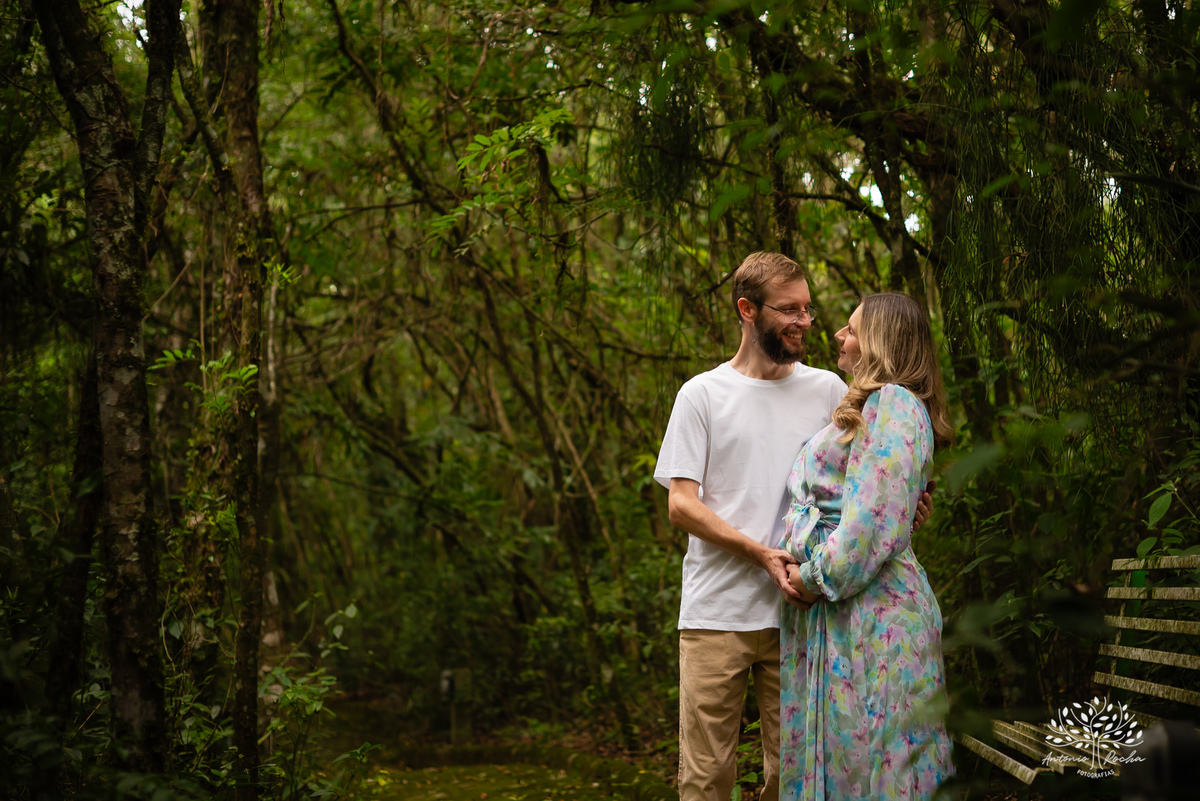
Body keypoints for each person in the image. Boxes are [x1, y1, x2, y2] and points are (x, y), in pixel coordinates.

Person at [655, 254, 931, 801]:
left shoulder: (830, 390)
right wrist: (762, 553)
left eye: (808, 308)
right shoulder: (702, 395)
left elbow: (872, 485)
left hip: (806, 618)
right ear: (747, 310)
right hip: (717, 613)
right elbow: (681, 506)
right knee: (706, 779)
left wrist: (907, 512)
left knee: (797, 775)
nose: (805, 321)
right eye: (789, 310)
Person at [778, 292, 955, 801]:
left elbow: (872, 522)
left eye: (852, 329)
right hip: (847, 611)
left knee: (886, 763)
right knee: (856, 762)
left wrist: (812, 580)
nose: (838, 334)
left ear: (880, 340)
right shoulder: (876, 407)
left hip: (873, 615)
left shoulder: (895, 403)